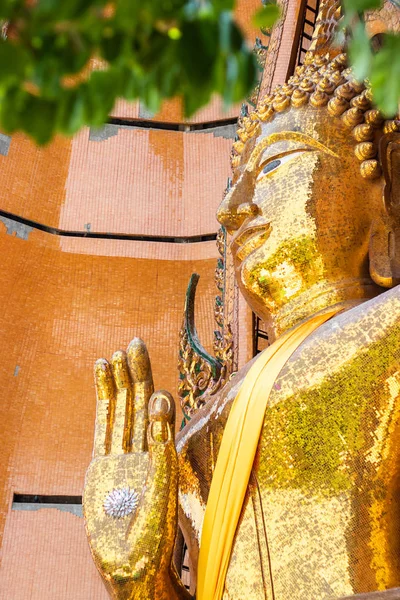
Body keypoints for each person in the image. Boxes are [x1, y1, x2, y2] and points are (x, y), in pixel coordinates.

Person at [83, 1, 400, 598]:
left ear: (386, 179)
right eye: (234, 185)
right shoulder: (189, 433)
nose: (233, 211)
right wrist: (139, 581)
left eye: (275, 165)